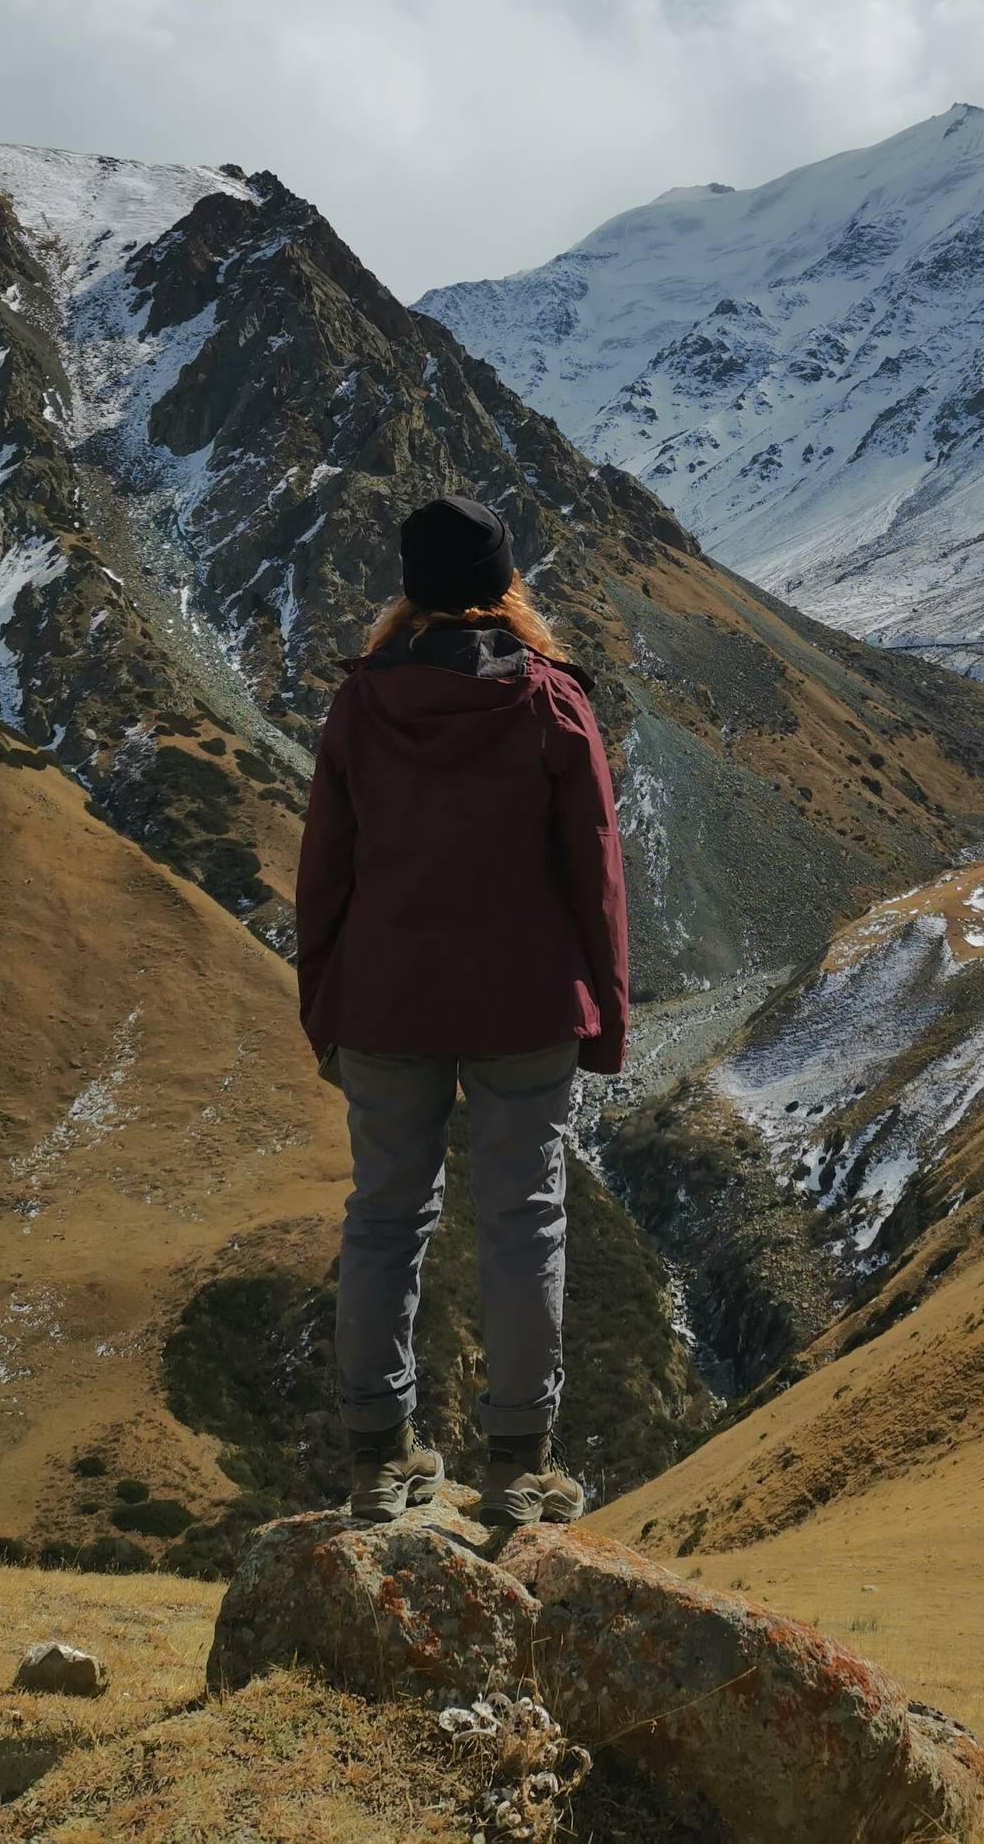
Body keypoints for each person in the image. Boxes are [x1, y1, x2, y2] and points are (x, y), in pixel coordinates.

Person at [295, 492, 630, 1529]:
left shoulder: (361, 704)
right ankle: (519, 1465)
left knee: (384, 1217)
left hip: (387, 1001)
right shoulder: (549, 704)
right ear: (505, 585)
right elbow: (597, 876)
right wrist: (606, 1018)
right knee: (523, 1220)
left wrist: (324, 1011)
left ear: (412, 590)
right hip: (524, 1002)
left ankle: (377, 1458)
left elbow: (324, 877)